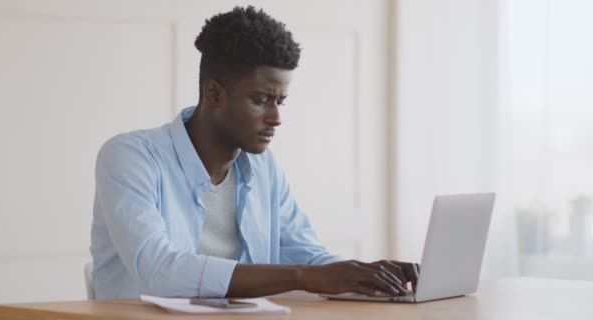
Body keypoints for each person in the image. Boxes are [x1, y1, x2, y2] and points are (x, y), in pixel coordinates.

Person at [90, 6, 418, 300]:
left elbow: (306, 256)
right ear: (214, 93)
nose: (276, 118)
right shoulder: (130, 157)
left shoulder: (263, 167)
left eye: (280, 101)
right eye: (261, 100)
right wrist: (303, 277)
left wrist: (372, 279)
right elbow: (161, 271)